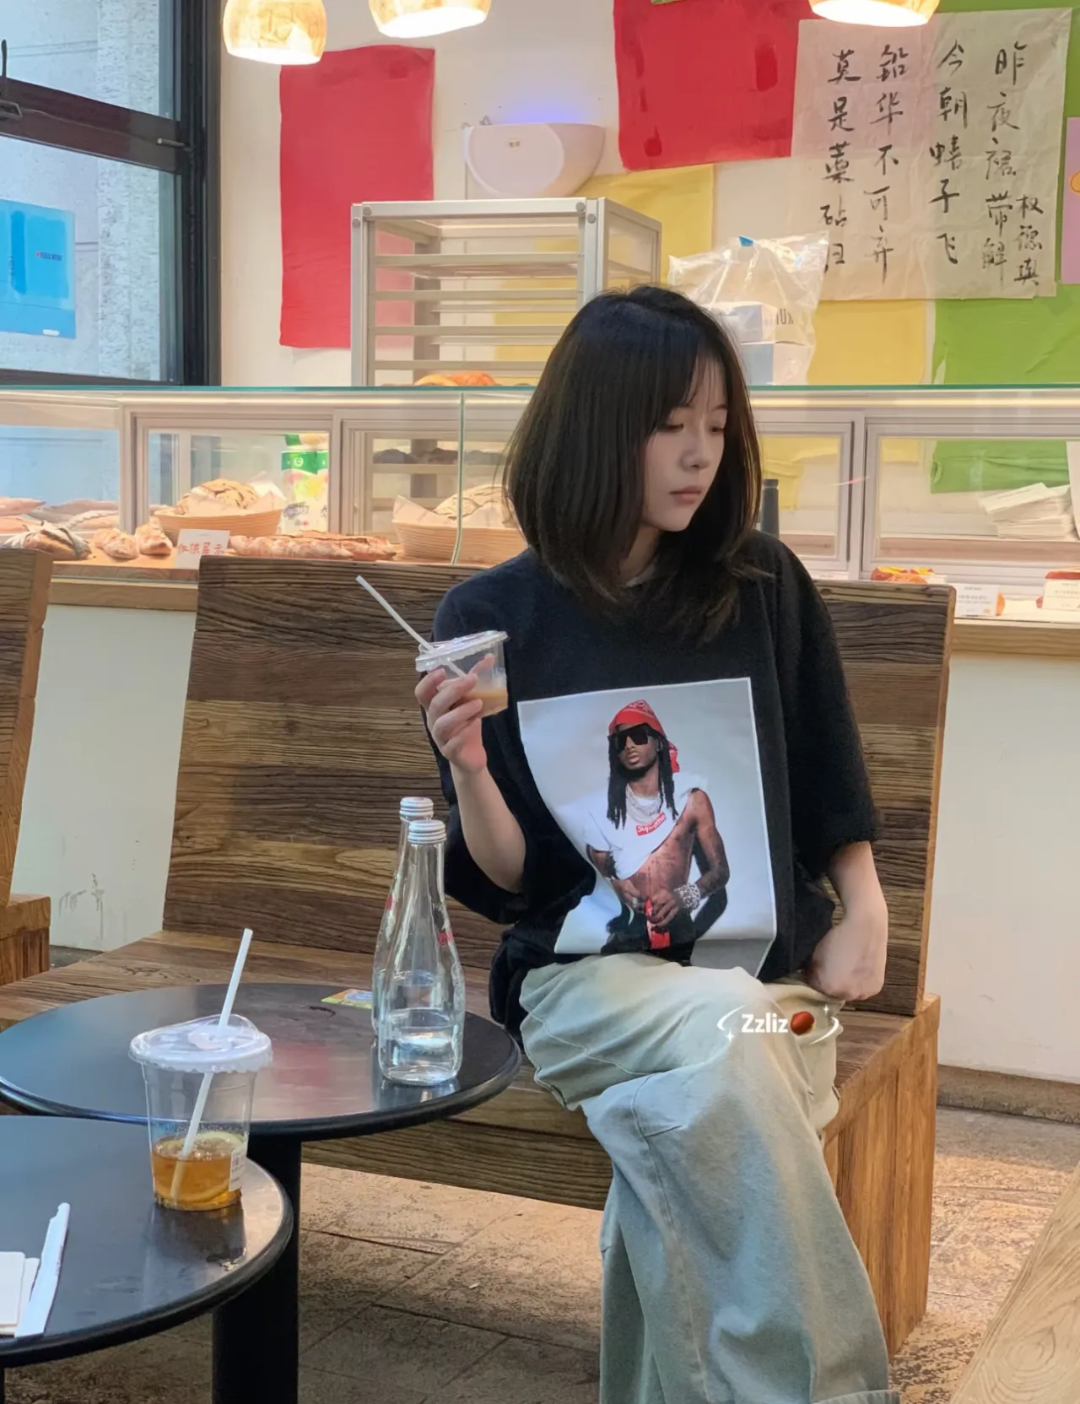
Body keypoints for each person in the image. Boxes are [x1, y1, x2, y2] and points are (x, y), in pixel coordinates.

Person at [416, 285, 897, 1404]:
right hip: (584, 989)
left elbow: (828, 765)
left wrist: (865, 905)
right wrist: (470, 767)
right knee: (724, 1049)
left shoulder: (762, 586)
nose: (701, 454)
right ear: (595, 429)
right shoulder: (491, 618)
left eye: (718, 425)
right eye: (670, 425)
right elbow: (512, 882)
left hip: (765, 995)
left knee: (692, 1115)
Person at [583, 700, 730, 953]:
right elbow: (599, 878)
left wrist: (685, 896)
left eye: (638, 736)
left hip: (678, 932)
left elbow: (721, 871)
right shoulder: (601, 812)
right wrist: (616, 886)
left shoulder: (691, 800)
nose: (629, 745)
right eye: (621, 741)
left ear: (659, 742)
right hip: (626, 934)